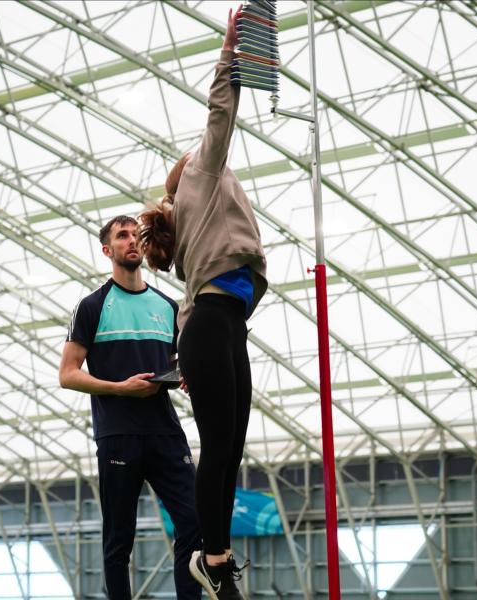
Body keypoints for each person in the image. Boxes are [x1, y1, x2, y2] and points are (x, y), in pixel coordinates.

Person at [139, 5, 267, 599]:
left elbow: (193, 301)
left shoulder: (199, 208)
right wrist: (230, 49)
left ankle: (216, 561)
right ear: (185, 173)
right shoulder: (201, 175)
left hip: (221, 327)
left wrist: (185, 361)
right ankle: (210, 560)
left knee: (230, 444)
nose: (204, 149)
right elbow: (222, 109)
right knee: (219, 446)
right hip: (214, 325)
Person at [59, 215, 202, 600]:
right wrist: (119, 388)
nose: (132, 241)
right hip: (118, 435)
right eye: (122, 236)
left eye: (135, 235)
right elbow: (68, 374)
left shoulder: (168, 306)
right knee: (119, 537)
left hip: (165, 432)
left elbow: (179, 363)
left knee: (194, 521)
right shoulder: (92, 306)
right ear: (108, 250)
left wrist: (185, 374)